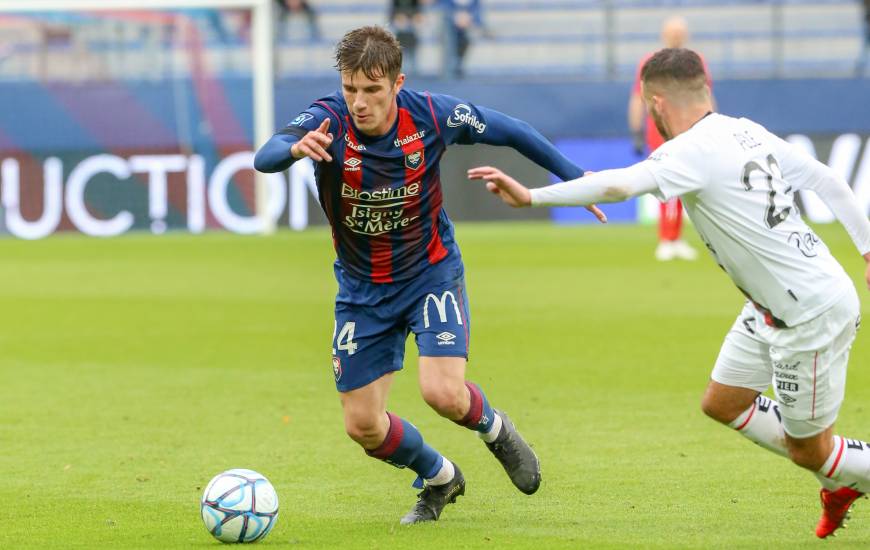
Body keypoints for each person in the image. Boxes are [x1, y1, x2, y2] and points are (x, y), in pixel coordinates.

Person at [470, 47, 870, 539]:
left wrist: (532, 195)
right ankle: (841, 474)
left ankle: (843, 473)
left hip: (808, 314)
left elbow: (620, 188)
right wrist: (868, 251)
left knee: (812, 450)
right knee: (723, 402)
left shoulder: (689, 151)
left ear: (656, 103)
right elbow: (828, 180)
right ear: (706, 89)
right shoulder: (744, 129)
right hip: (775, 306)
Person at [254, 26, 605, 525]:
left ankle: (496, 430)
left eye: (372, 91)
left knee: (442, 393)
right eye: (351, 88)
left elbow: (509, 128)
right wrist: (293, 149)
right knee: (362, 426)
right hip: (361, 289)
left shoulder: (432, 115)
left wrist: (574, 177)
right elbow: (265, 154)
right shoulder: (326, 119)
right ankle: (440, 476)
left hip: (429, 272)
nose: (359, 102)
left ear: (398, 84)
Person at [627, 16, 706, 261]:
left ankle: (676, 237)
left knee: (685, 183)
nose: (676, 36)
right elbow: (638, 98)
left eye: (680, 32)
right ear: (665, 34)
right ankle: (665, 238)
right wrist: (636, 130)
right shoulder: (651, 63)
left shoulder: (696, 62)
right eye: (673, 32)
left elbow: (705, 94)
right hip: (660, 129)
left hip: (690, 128)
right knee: (665, 180)